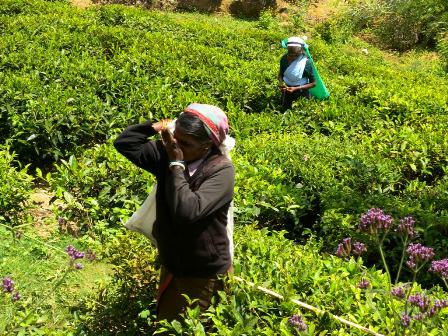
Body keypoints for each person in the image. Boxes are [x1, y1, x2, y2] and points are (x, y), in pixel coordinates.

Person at [114, 103, 235, 322]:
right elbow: (125, 143)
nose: (176, 146)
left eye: (186, 143)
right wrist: (155, 128)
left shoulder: (220, 170)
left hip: (202, 272)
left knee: (194, 326)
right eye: (175, 138)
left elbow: (187, 211)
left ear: (206, 145)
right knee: (169, 322)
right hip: (174, 262)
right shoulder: (170, 151)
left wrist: (177, 165)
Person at [278, 37, 316, 110]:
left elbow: (313, 83)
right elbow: (280, 74)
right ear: (287, 51)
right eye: (290, 55)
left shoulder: (306, 63)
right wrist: (281, 83)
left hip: (302, 91)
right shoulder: (284, 59)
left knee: (301, 110)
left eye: (296, 55)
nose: (293, 58)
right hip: (287, 90)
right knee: (284, 109)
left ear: (301, 52)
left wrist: (296, 88)